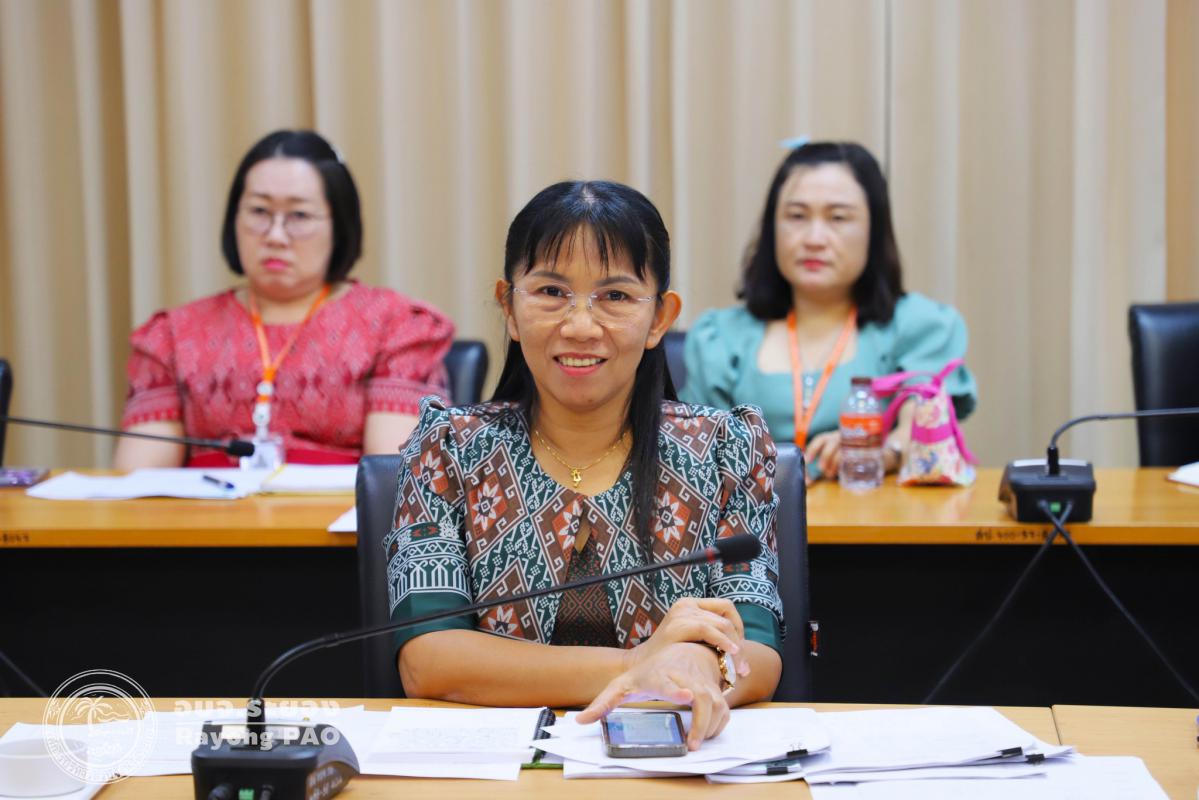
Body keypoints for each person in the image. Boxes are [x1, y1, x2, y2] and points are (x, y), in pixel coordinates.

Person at [387, 180, 783, 748]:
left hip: (670, 766)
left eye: (615, 296)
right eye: (551, 291)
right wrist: (640, 665)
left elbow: (759, 654)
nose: (579, 326)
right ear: (509, 308)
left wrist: (699, 666)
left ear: (660, 318)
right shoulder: (447, 448)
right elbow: (428, 660)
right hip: (495, 774)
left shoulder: (727, 450)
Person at [113, 130, 453, 469]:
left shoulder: (397, 327)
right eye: (259, 211)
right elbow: (140, 479)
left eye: (299, 216)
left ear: (339, 226)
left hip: (342, 506)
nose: (275, 236)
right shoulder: (173, 334)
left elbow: (394, 478)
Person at [681, 141, 977, 480]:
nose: (814, 238)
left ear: (874, 230)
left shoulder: (920, 326)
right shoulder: (719, 338)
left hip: (876, 510)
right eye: (797, 216)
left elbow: (919, 423)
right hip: (756, 515)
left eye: (838, 217)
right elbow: (698, 456)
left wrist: (880, 452)